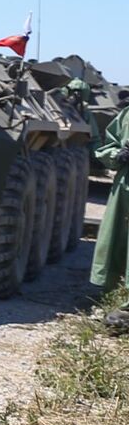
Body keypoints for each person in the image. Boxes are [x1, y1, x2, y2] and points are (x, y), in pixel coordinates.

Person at [93, 100, 127, 296]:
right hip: (124, 186)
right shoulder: (126, 116)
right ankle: (113, 293)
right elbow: (106, 148)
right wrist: (118, 155)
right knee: (116, 241)